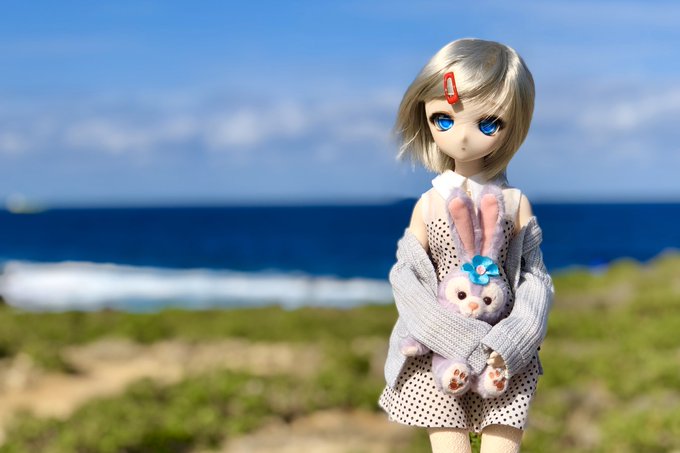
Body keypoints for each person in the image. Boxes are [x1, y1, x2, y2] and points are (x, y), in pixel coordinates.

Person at [379, 38, 554, 453]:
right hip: (437, 354)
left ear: (514, 124)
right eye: (443, 119)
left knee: (502, 444)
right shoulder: (430, 203)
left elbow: (535, 280)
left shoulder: (513, 203)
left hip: (502, 355)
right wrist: (450, 336)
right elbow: (408, 277)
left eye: (488, 123)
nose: (460, 137)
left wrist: (514, 339)